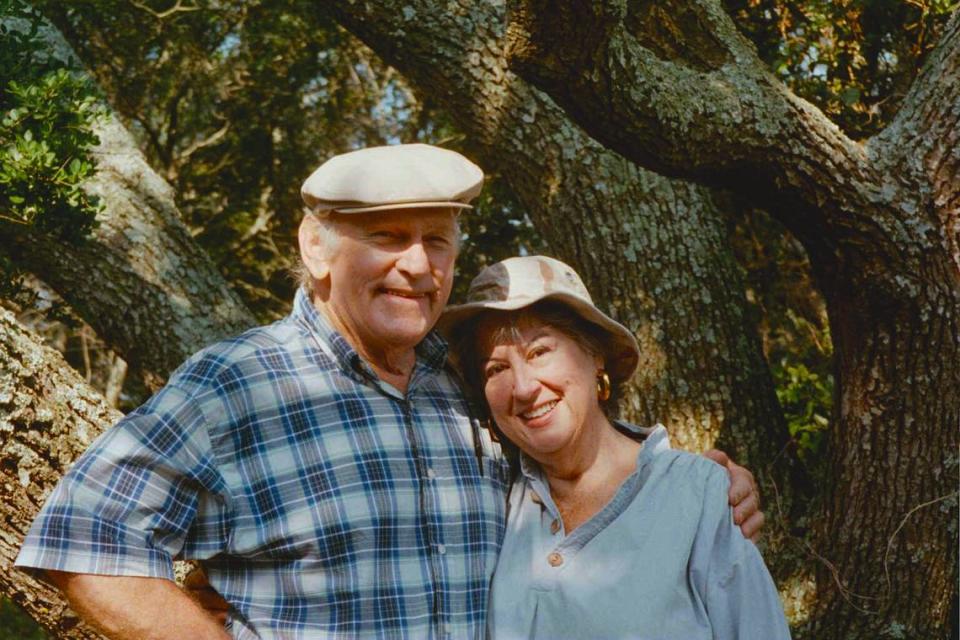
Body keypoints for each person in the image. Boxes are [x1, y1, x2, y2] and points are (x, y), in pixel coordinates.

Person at [16, 144, 763, 639]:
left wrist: (700, 485)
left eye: (436, 240)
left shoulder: (466, 383)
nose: (417, 264)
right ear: (318, 247)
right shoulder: (236, 384)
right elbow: (85, 543)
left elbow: (573, 452)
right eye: (387, 235)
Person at [439, 255, 790, 639]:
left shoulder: (698, 494)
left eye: (540, 351)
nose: (523, 388)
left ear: (595, 355)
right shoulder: (495, 500)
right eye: (495, 369)